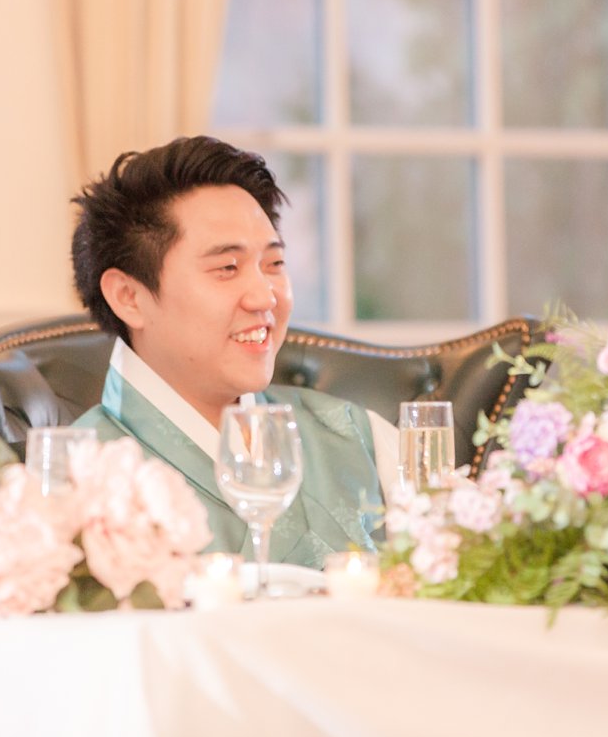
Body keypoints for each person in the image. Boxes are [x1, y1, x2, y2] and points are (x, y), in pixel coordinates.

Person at [70, 135, 396, 568]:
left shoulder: (358, 437)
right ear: (129, 296)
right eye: (227, 268)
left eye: (274, 264)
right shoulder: (70, 482)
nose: (265, 297)